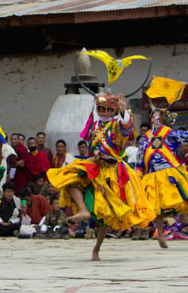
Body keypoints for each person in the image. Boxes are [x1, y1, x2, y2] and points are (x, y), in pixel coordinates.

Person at [47, 93, 154, 260]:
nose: (103, 112)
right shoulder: (94, 125)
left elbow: (126, 131)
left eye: (106, 109)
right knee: (70, 177)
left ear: (112, 111)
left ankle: (96, 248)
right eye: (100, 109)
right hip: (94, 164)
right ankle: (83, 210)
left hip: (111, 171)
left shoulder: (116, 124)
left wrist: (124, 112)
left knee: (103, 215)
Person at [137, 107, 188, 249]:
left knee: (175, 198)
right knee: (162, 204)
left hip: (162, 173)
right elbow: (140, 157)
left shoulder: (160, 134)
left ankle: (176, 222)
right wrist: (138, 175)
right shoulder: (150, 136)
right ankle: (161, 233)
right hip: (158, 174)